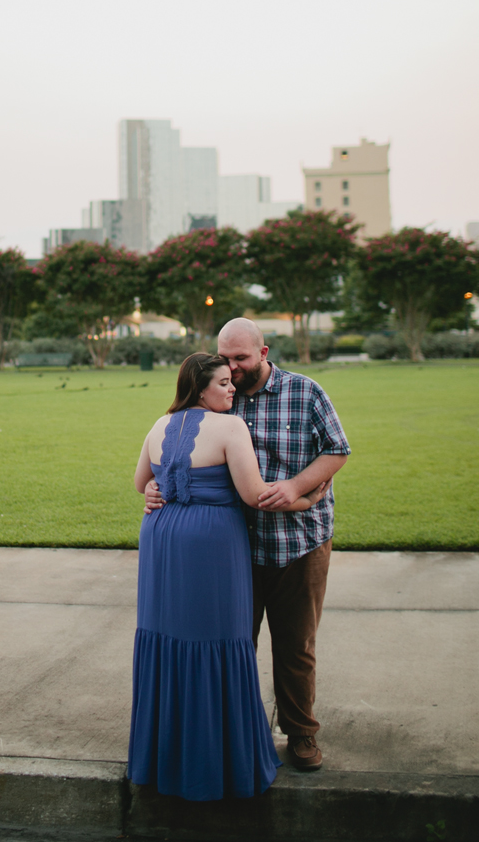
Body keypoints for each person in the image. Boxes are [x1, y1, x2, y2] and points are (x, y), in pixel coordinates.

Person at [144, 319, 350, 772]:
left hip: (300, 542)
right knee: (236, 644)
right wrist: (158, 488)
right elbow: (182, 455)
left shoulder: (305, 392)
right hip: (234, 551)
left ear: (264, 352)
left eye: (241, 359)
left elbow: (337, 450)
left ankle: (301, 734)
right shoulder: (219, 402)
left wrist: (298, 487)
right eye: (225, 359)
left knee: (296, 646)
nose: (232, 369)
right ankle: (237, 734)